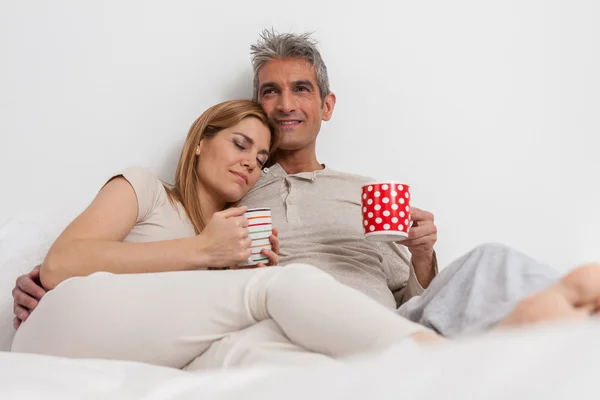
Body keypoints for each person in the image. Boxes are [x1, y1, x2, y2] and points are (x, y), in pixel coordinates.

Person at [12, 31, 596, 366]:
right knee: (271, 335)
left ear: (326, 105)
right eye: (270, 93)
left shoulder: (364, 191)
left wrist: (422, 259)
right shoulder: (227, 201)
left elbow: (413, 293)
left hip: (384, 317)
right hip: (285, 323)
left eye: (301, 90)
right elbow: (111, 264)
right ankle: (466, 366)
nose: (286, 104)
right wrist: (49, 280)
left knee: (494, 260)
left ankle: (562, 336)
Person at [11, 98, 450, 371]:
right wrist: (201, 250)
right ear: (201, 141)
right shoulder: (145, 188)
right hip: (67, 322)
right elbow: (60, 264)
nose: (250, 164)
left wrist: (226, 260)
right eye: (240, 144)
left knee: (262, 348)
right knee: (280, 286)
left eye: (261, 158)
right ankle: (441, 361)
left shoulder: (230, 237)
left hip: (157, 353)